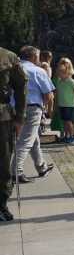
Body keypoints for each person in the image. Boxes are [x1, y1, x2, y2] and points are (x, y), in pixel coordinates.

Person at [14, 47, 55, 184]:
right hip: (32, 107)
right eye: (37, 56)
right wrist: (45, 107)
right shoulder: (38, 71)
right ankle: (16, 171)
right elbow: (48, 94)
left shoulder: (13, 69)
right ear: (33, 57)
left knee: (33, 138)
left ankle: (41, 166)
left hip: (14, 108)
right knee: (26, 141)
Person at [0, 46, 27, 222]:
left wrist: (20, 117)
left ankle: (1, 203)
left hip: (2, 118)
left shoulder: (7, 57)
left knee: (3, 163)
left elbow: (21, 87)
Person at [54, 58, 74, 143]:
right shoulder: (59, 82)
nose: (59, 74)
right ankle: (66, 136)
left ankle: (72, 137)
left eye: (61, 72)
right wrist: (56, 104)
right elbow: (57, 94)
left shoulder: (71, 81)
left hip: (70, 105)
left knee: (69, 122)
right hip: (61, 105)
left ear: (67, 72)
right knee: (65, 122)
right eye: (59, 72)